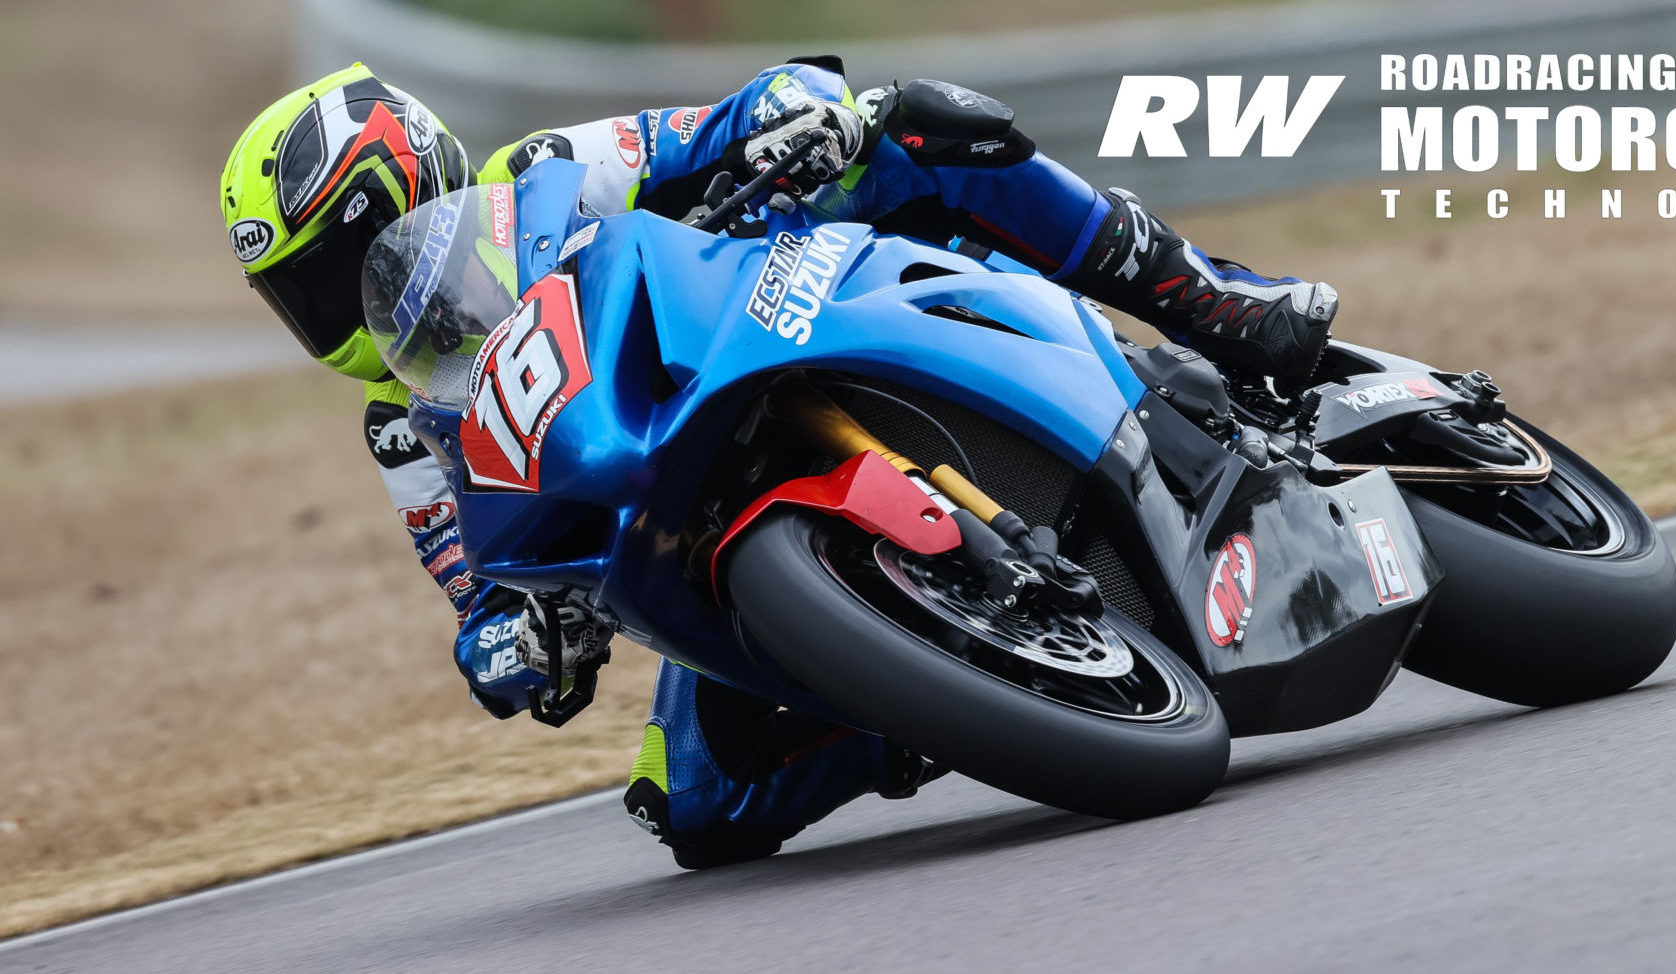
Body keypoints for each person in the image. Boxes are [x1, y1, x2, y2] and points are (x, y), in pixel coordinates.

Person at [219, 59, 1337, 868]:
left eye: (331, 270)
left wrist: (787, 117)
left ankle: (1206, 296)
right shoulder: (399, 418)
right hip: (687, 505)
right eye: (296, 301)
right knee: (695, 802)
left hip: (793, 308)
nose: (323, 313)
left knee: (905, 131)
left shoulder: (546, 175)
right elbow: (474, 587)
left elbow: (705, 125)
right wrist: (518, 640)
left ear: (401, 188)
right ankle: (942, 683)